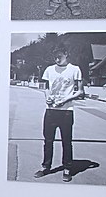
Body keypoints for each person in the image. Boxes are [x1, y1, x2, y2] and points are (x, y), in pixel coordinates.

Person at [34, 45, 84, 182]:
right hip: (50, 111)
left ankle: (67, 169)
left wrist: (65, 100)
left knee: (66, 141)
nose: (57, 59)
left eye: (59, 56)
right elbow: (46, 88)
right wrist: (47, 98)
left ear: (66, 54)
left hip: (66, 112)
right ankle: (45, 167)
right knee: (48, 141)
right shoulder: (49, 70)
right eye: (55, 56)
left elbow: (80, 91)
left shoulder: (75, 69)